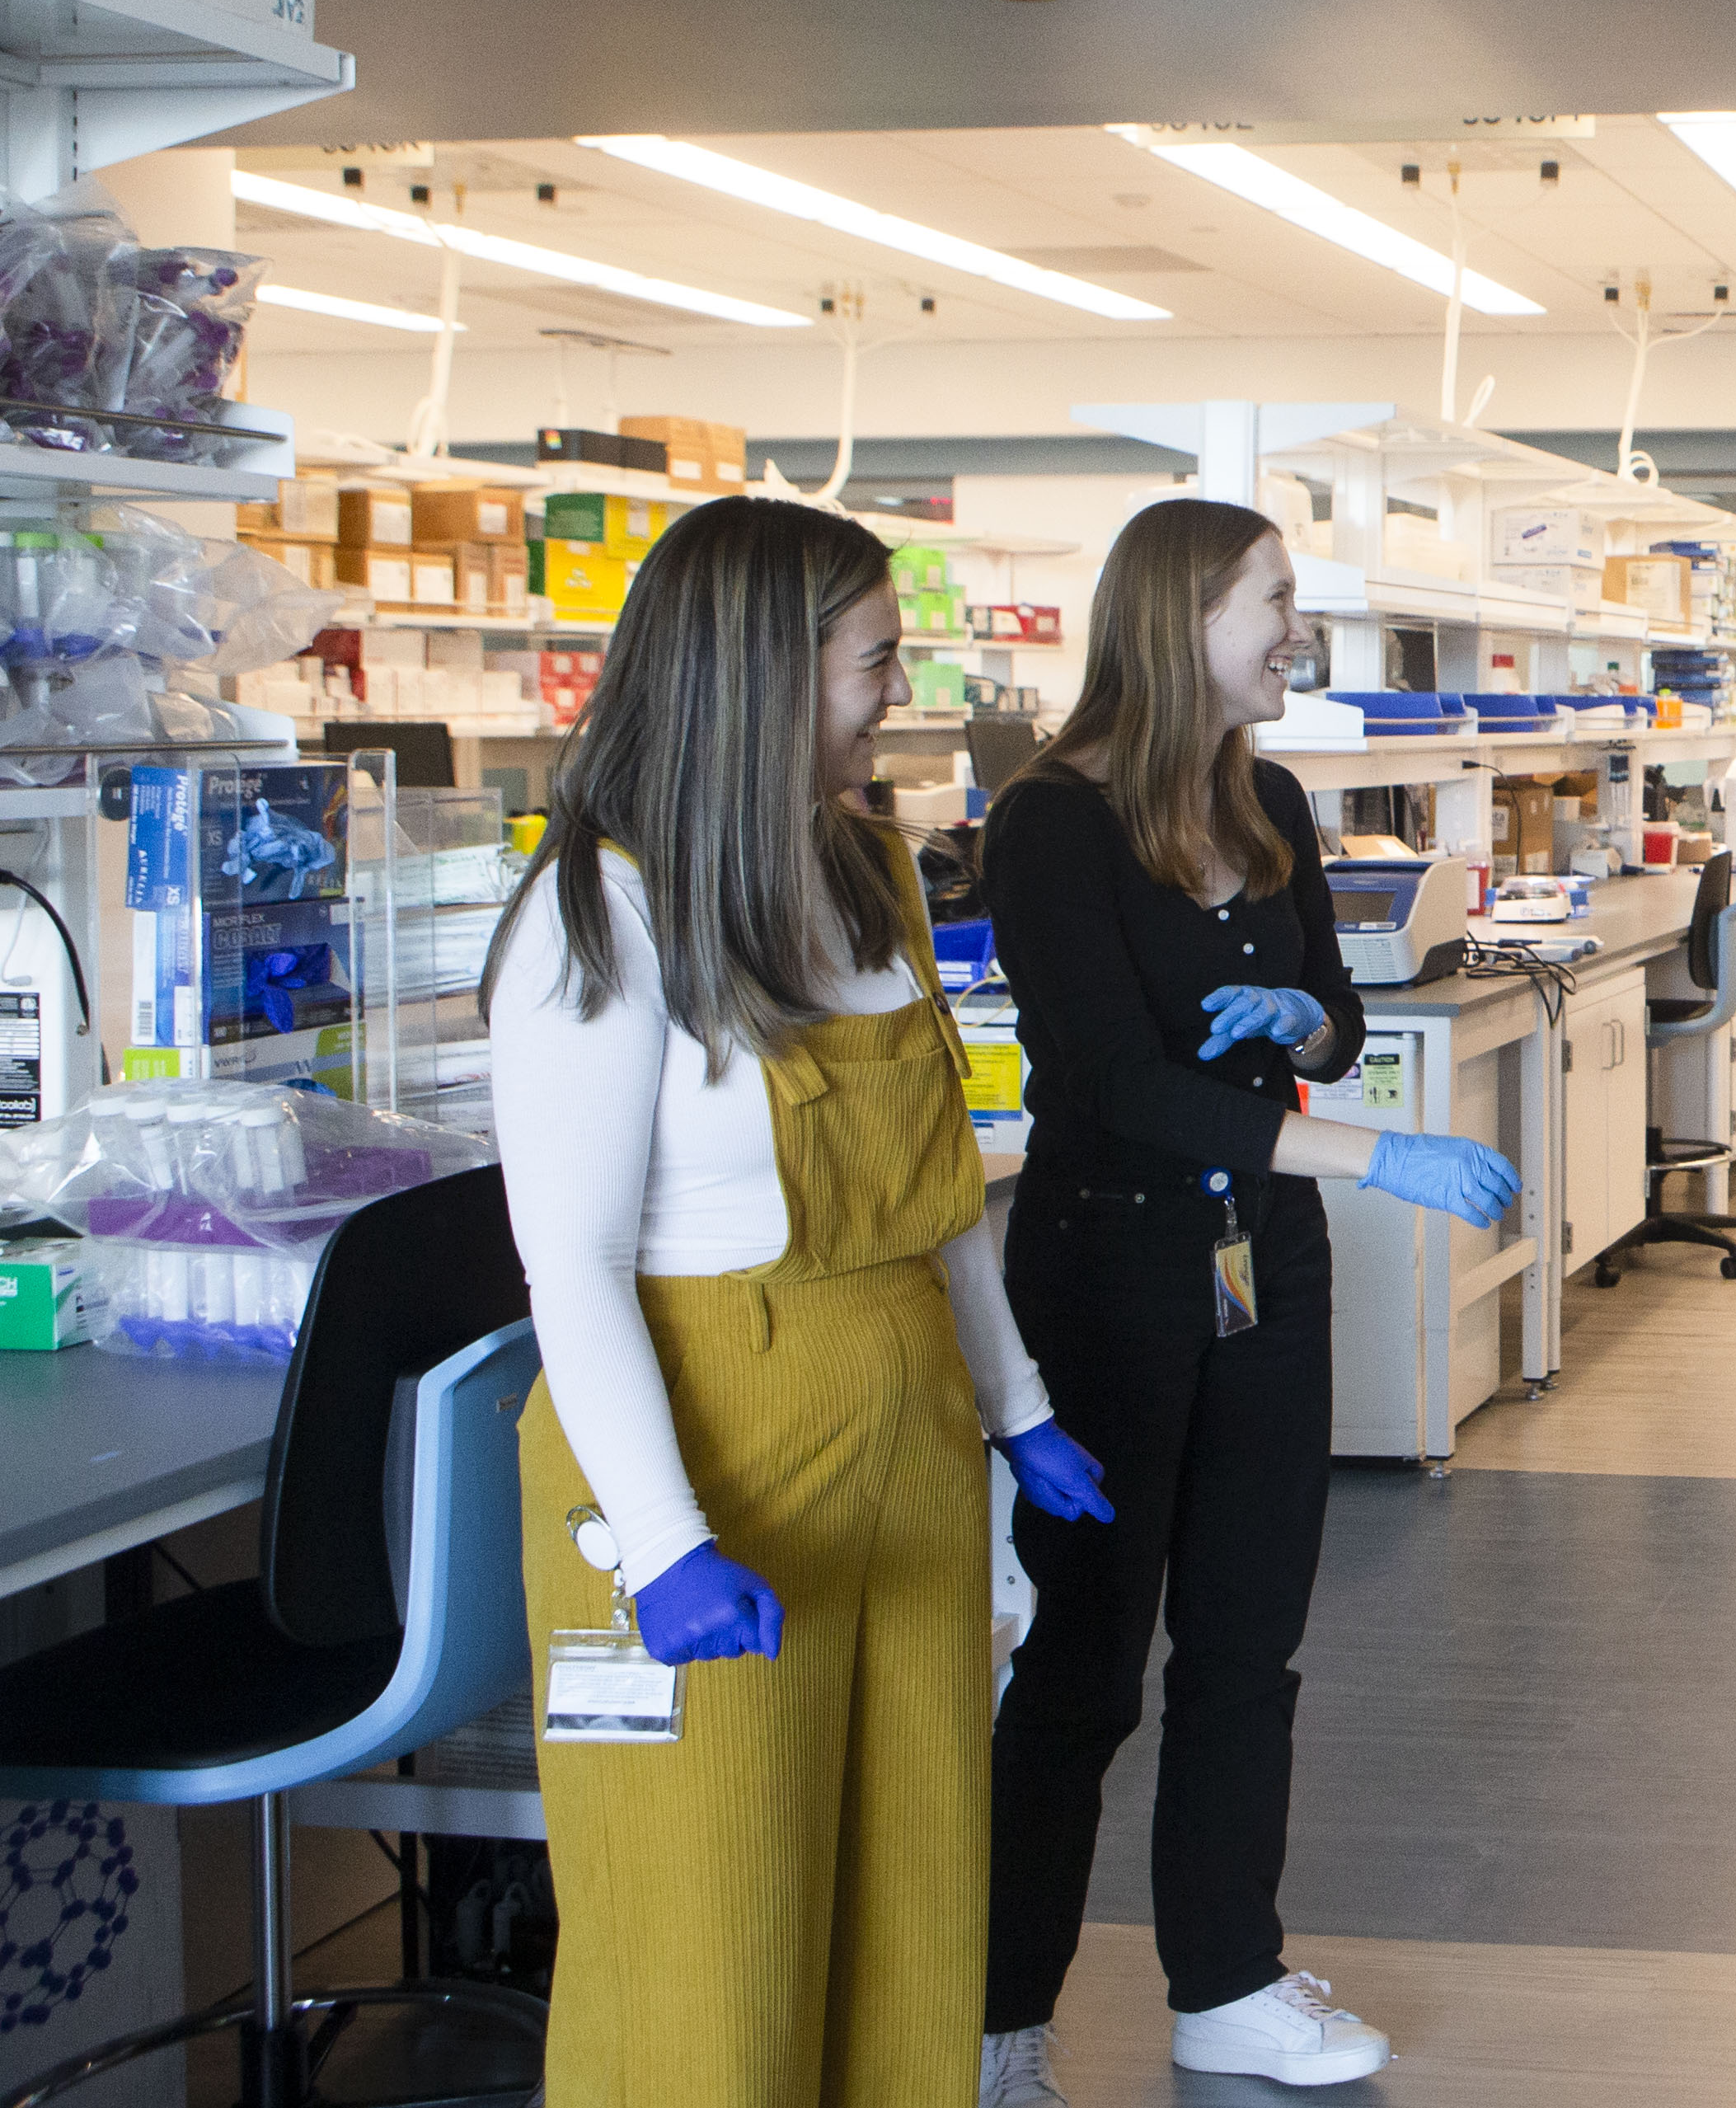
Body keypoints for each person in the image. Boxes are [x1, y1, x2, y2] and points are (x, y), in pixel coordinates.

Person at [492, 495, 1116, 2107]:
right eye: (871, 659)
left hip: (904, 1436)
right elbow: (572, 1267)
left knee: (906, 1896)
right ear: (757, 675)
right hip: (709, 1444)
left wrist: (1019, 1408)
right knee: (706, 1935)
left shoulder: (867, 871)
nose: (892, 691)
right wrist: (664, 1540)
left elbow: (937, 1183)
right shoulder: (600, 918)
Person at [974, 498, 1519, 2105]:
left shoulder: (1270, 798)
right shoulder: (1050, 824)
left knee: (1244, 1649)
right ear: (1179, 615)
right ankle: (1000, 2016)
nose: (1298, 629)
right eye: (1274, 600)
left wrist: (1314, 1023)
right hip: (1105, 1274)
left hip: (1258, 1270)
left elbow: (1339, 1011)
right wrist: (1363, 1149)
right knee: (1083, 1665)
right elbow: (1115, 1082)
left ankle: (1223, 1980)